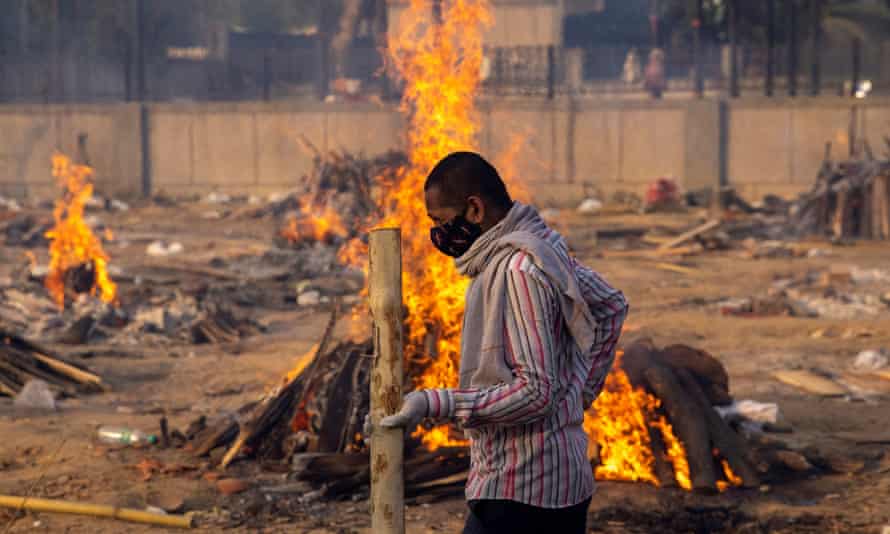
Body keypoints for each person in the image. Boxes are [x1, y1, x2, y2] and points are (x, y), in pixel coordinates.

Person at [376, 151, 628, 534]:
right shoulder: (541, 247)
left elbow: (536, 392)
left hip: (523, 487)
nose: (438, 235)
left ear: (474, 209)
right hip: (559, 480)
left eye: (440, 221)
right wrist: (580, 391)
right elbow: (611, 305)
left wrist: (434, 403)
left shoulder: (517, 270)